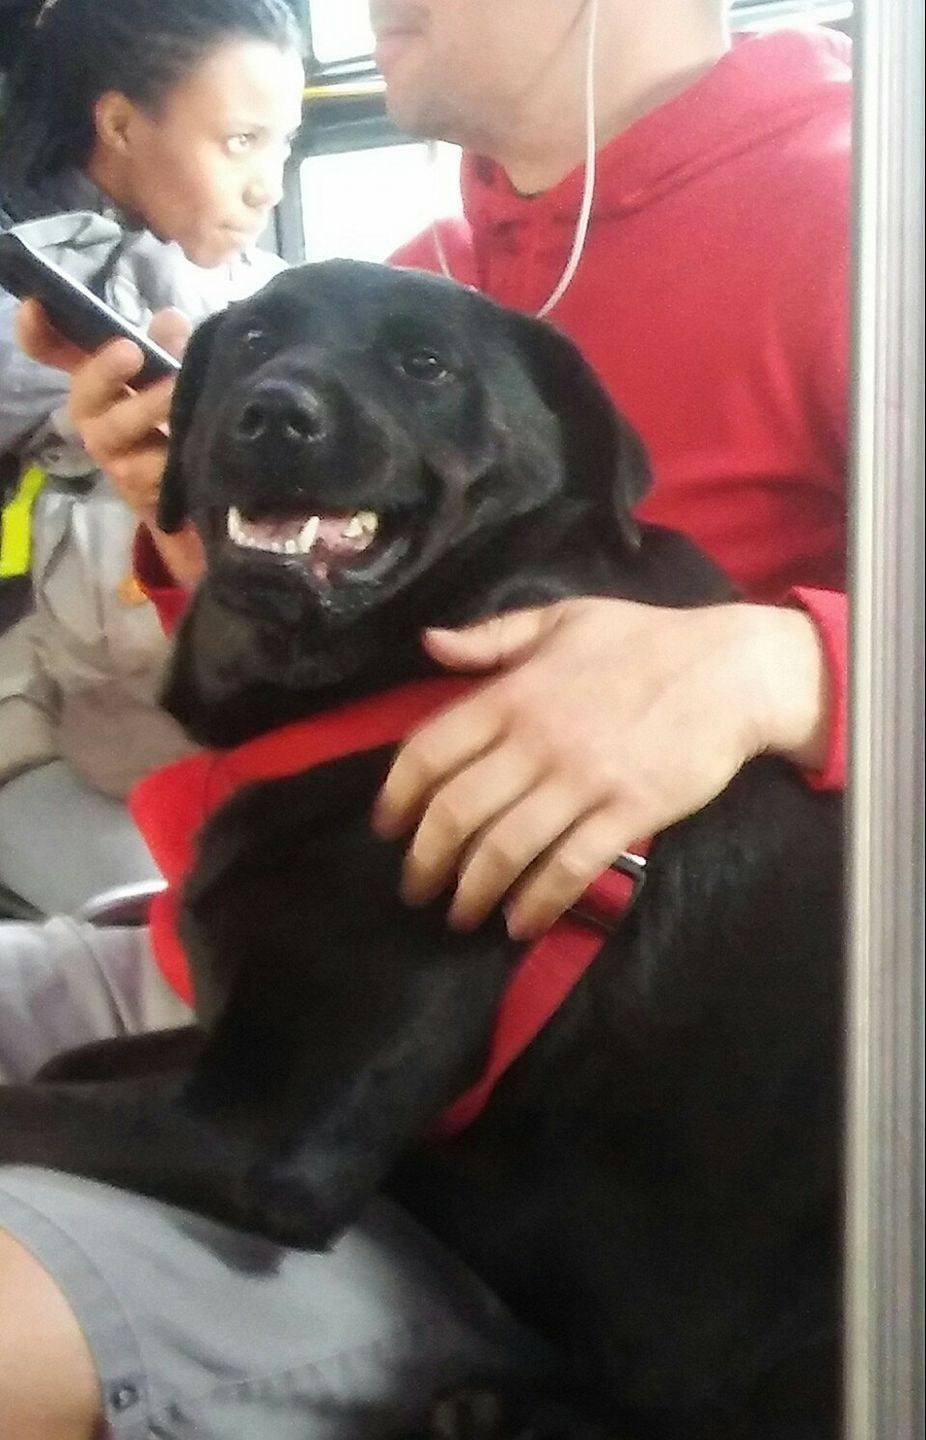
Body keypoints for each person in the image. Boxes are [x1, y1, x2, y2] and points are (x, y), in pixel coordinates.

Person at [0, 3, 851, 1436]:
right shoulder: (418, 285)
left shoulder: (863, 206)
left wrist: (789, 664)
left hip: (529, 1158)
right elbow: (325, 689)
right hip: (249, 970)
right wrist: (206, 533)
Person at [0, 0, 303, 914]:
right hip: (96, 750)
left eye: (286, 146)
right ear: (122, 124)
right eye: (241, 141)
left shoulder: (280, 300)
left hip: (270, 752)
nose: (270, 188)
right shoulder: (30, 317)